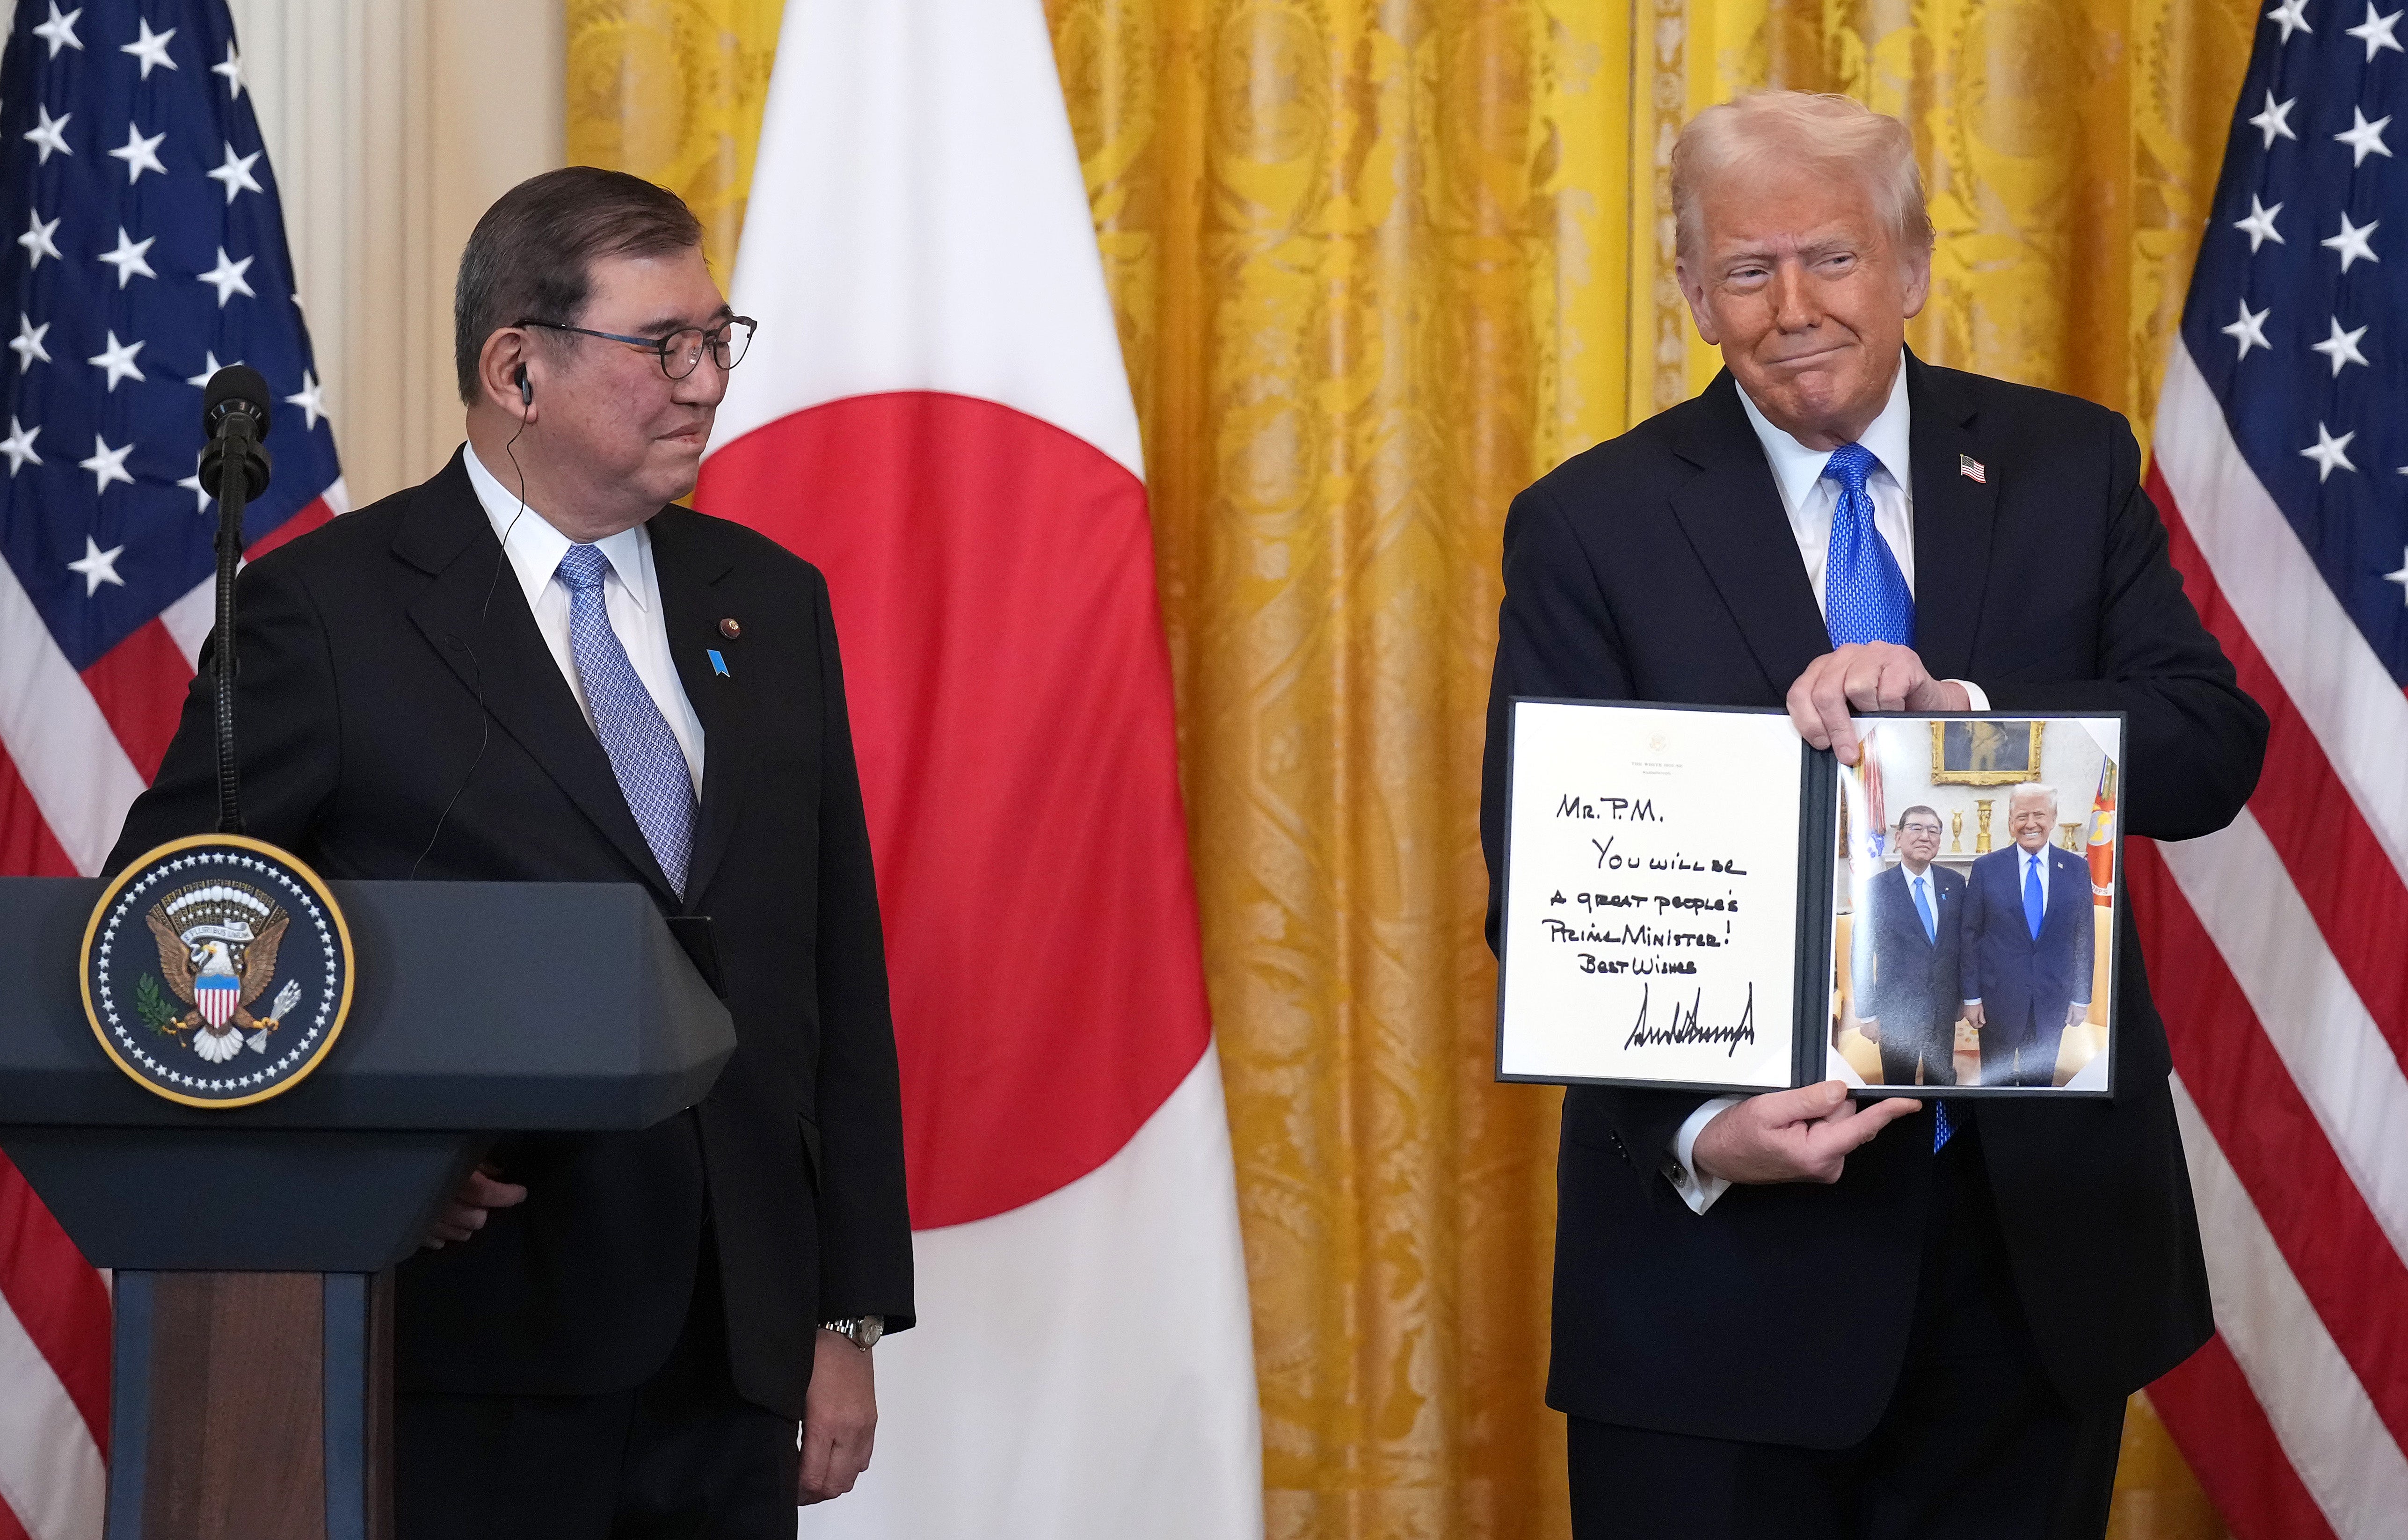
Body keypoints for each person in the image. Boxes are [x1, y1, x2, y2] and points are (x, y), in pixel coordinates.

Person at [1477, 93, 2265, 1539]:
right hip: (1717, 1296)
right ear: (1691, 296)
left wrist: (1965, 713)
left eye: (1829, 259)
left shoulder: (2064, 463)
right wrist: (1700, 1127)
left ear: (1907, 263)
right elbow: (1535, 887)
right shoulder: (1587, 522)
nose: (1790, 309)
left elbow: (2208, 749)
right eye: (1743, 270)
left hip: (2027, 1272)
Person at [106, 168, 913, 1538]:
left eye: (718, 337)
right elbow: (174, 928)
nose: (706, 378)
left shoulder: (768, 602)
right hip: (476, 1346)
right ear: (516, 367)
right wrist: (365, 1158)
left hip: (734, 1346)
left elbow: (826, 967)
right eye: (662, 343)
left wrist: (845, 1310)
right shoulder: (328, 612)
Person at [1963, 784, 2096, 1087]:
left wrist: (2080, 997)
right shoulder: (1986, 868)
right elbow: (1970, 936)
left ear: (2053, 819)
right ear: (2010, 822)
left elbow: (2083, 937)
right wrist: (1971, 997)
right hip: (1997, 1000)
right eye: (2021, 816)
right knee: (1995, 1087)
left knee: (2039, 1089)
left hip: (2051, 1001)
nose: (2030, 823)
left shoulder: (2076, 869)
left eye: (2039, 814)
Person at [1851, 805, 1963, 1087]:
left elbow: (1963, 946)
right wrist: (1867, 1014)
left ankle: (1942, 1133)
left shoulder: (1956, 884)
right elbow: (1861, 956)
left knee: (1943, 1086)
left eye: (1933, 830)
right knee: (1898, 1090)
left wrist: (1964, 998)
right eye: (1917, 828)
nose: (1925, 836)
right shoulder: (1875, 889)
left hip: (1942, 1010)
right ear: (1898, 838)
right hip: (1896, 1014)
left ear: (1939, 841)